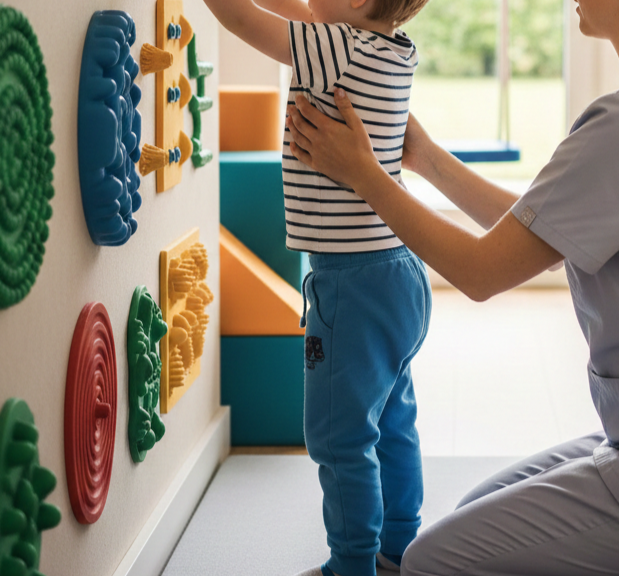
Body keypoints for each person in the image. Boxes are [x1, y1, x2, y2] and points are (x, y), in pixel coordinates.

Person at [285, 0, 619, 571]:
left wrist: (365, 176)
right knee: (467, 519)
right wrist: (428, 160)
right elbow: (539, 232)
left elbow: (481, 272)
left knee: (429, 565)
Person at [202, 0, 431, 575]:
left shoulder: (332, 48)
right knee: (391, 420)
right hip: (400, 273)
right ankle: (400, 546)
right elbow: (306, 10)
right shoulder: (393, 48)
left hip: (349, 284)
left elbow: (239, 18)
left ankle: (351, 564)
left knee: (337, 435)